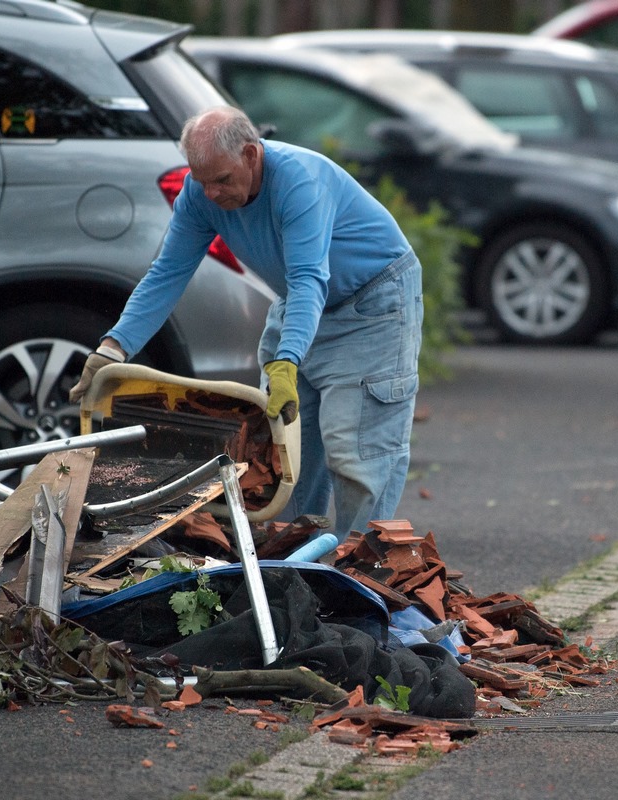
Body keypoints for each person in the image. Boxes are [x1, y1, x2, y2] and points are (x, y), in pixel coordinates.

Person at [69, 106, 423, 538]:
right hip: (301, 302)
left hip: (371, 302)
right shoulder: (200, 195)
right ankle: (294, 572)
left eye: (222, 180)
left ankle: (361, 576)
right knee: (282, 455)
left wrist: (287, 359)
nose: (212, 194)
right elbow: (167, 273)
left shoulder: (298, 182)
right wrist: (114, 346)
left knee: (356, 454)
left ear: (252, 155)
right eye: (202, 181)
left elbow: (310, 276)